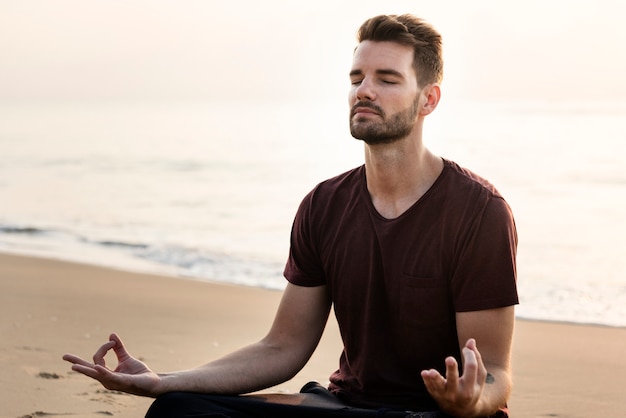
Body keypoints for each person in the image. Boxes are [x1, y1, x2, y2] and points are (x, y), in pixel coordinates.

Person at [63, 14, 518, 418]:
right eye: (356, 77)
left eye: (387, 78)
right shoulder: (324, 205)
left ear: (428, 100)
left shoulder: (478, 212)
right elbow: (283, 346)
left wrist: (470, 401)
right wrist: (165, 381)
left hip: (429, 415)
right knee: (177, 409)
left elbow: (495, 372)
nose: (364, 90)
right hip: (344, 405)